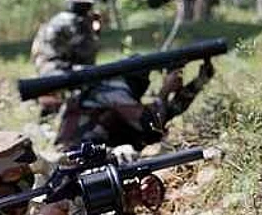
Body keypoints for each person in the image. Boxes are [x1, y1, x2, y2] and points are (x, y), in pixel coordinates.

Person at [54, 59, 216, 151]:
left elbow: (164, 115)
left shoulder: (113, 92)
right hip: (76, 152)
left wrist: (199, 82)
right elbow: (150, 124)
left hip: (87, 149)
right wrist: (164, 92)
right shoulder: (113, 90)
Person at [31, 0, 102, 115]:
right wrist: (95, 30)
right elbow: (88, 55)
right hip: (58, 71)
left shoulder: (57, 19)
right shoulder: (77, 22)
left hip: (44, 67)